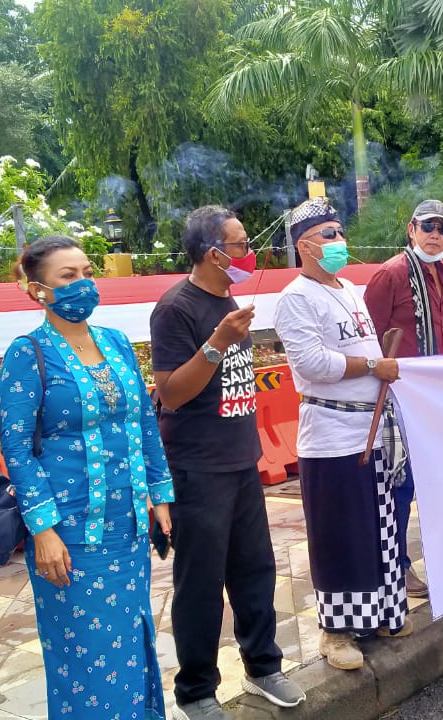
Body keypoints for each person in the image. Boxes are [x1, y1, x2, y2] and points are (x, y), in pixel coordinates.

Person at [0, 236, 176, 720]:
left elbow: (142, 419)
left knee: (133, 644)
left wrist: (159, 496)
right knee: (87, 657)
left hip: (129, 526)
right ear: (39, 290)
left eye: (86, 271)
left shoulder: (115, 342)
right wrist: (44, 530)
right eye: (68, 276)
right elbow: (15, 446)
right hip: (72, 535)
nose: (84, 284)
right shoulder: (28, 353)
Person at [150, 206, 305, 720]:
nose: (247, 252)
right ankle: (196, 691)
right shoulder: (176, 309)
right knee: (200, 583)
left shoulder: (226, 297)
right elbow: (171, 394)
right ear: (213, 254)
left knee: (255, 570)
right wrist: (217, 344)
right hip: (197, 468)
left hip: (240, 461)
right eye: (239, 244)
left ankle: (263, 667)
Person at [272, 198, 411, 673]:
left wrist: (381, 371)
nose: (338, 242)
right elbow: (312, 364)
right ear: (304, 244)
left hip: (373, 428)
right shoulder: (295, 297)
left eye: (338, 231)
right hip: (332, 433)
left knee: (381, 525)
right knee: (341, 534)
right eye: (328, 234)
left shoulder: (349, 289)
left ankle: (382, 613)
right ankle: (336, 632)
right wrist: (375, 366)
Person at [364, 199, 443, 599]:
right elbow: (369, 337)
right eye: (428, 227)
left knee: (442, 480)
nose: (435, 235)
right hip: (403, 400)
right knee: (402, 484)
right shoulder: (391, 275)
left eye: (442, 229)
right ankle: (398, 566)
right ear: (411, 230)